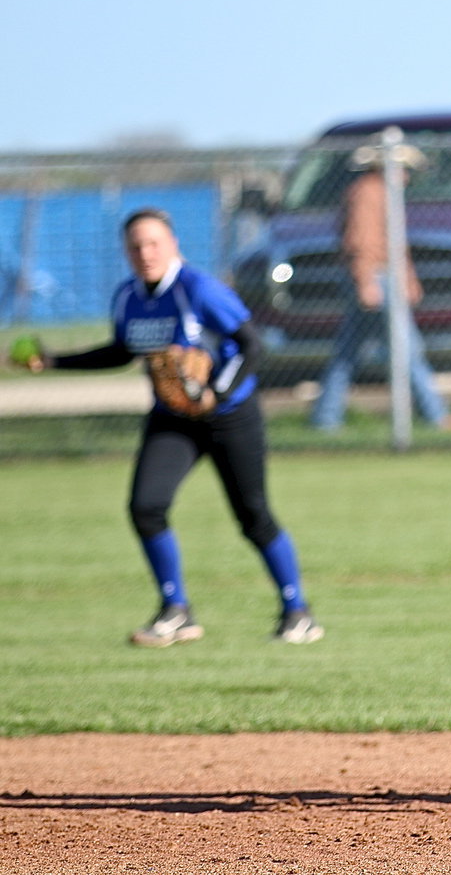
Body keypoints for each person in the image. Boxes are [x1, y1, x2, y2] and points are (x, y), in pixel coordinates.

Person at [13, 208, 324, 647]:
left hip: (230, 416)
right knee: (146, 507)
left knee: (253, 516)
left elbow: (250, 345)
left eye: (154, 242)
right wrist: (54, 361)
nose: (145, 253)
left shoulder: (199, 290)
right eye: (136, 246)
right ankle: (175, 610)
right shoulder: (129, 297)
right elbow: (123, 351)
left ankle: (298, 611)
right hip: (173, 418)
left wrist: (217, 388)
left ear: (174, 244)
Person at [310, 165, 451, 432]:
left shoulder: (387, 192)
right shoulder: (367, 192)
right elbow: (361, 240)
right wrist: (366, 281)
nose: (407, 174)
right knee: (407, 348)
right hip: (376, 277)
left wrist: (408, 279)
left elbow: (395, 243)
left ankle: (325, 417)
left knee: (349, 352)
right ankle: (436, 416)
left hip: (387, 275)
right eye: (403, 168)